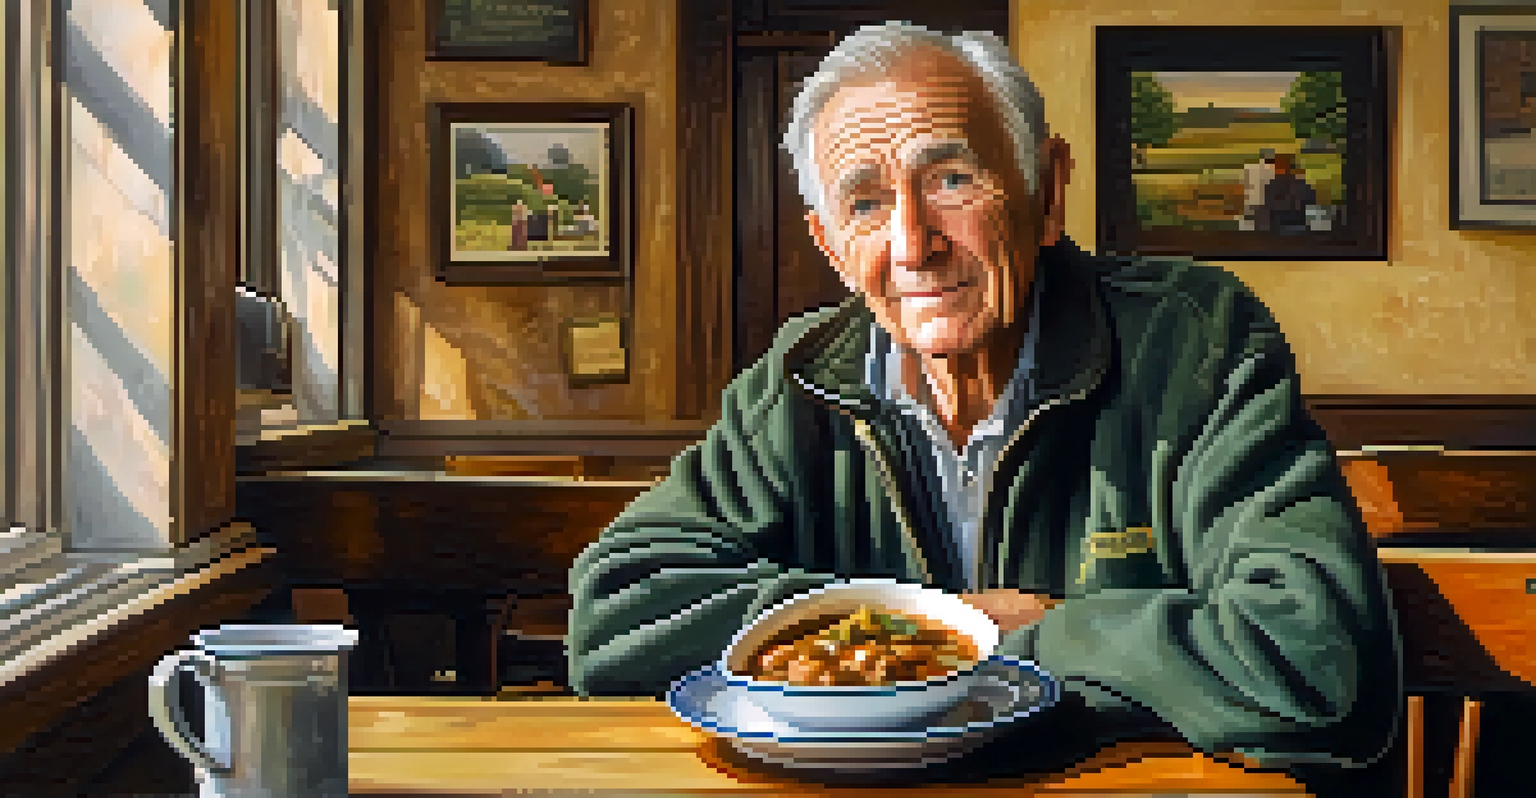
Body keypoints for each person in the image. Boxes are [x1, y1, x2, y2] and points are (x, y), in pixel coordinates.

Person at [568, 21, 1400, 785]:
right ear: (829, 247)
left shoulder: (1195, 342)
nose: (912, 245)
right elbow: (616, 616)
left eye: (953, 180)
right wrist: (916, 631)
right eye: (865, 203)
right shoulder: (798, 378)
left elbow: (1316, 665)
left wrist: (1034, 636)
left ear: (1047, 192)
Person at [1256, 153, 1318, 233]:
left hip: (1286, 225)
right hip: (1294, 225)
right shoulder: (1302, 185)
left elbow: (1270, 206)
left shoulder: (1273, 185)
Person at [1240, 148, 1276, 230]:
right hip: (1264, 203)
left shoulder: (1249, 167)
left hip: (1251, 200)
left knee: (1249, 226)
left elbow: (1246, 184)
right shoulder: (1271, 169)